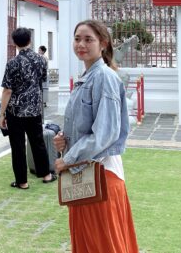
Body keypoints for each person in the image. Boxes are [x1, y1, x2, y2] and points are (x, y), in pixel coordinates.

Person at [53, 20, 139, 252]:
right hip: (83, 173)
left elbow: (106, 133)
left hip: (101, 174)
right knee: (87, 241)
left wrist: (68, 159)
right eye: (77, 38)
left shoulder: (104, 77)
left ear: (103, 43)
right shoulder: (86, 77)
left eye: (88, 39)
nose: (81, 44)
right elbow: (85, 127)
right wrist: (64, 141)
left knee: (101, 243)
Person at [0, 27, 55, 189]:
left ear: (14, 43)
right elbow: (42, 80)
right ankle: (46, 174)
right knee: (37, 142)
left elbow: (7, 90)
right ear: (30, 40)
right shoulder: (41, 60)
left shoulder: (12, 63)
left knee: (17, 146)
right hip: (35, 109)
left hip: (16, 111)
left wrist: (2, 114)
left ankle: (22, 181)